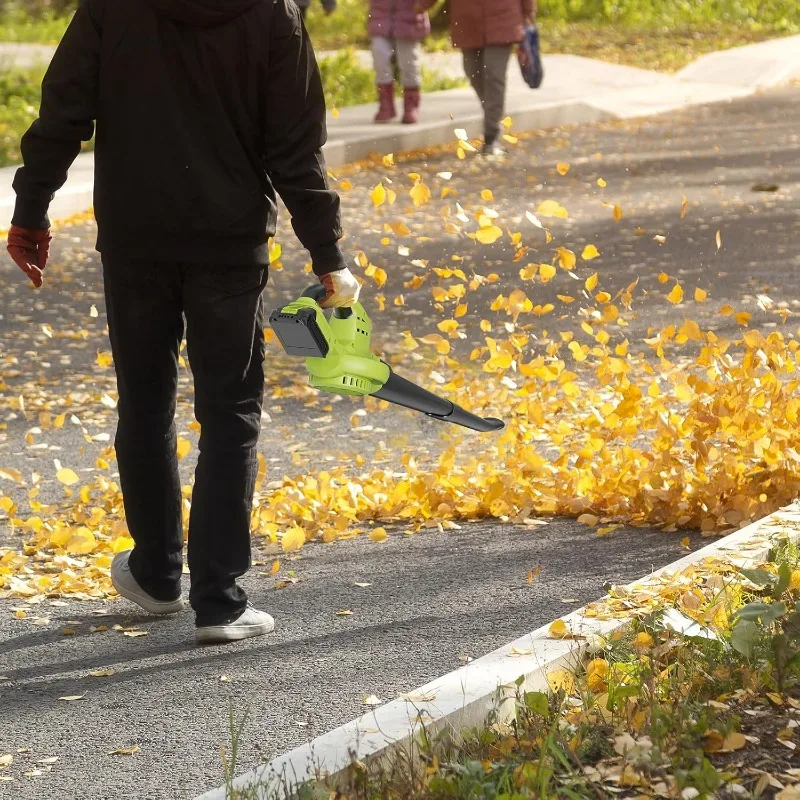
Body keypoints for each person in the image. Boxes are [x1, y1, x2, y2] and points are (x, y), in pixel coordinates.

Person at [6, 0, 361, 645]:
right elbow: (295, 145)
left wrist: (31, 207)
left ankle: (157, 574)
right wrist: (327, 252)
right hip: (229, 242)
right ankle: (219, 601)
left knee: (144, 403)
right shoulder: (272, 14)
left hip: (135, 236)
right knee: (229, 413)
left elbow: (64, 104)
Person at [448, 0, 536, 157]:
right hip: (468, 21)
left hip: (503, 19)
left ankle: (491, 137)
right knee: (473, 72)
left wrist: (528, 10)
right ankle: (492, 114)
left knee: (494, 76)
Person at [370, 0, 436, 125]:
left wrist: (423, 4)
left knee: (408, 62)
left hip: (409, 16)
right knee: (379, 55)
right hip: (381, 15)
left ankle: (411, 105)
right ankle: (385, 103)